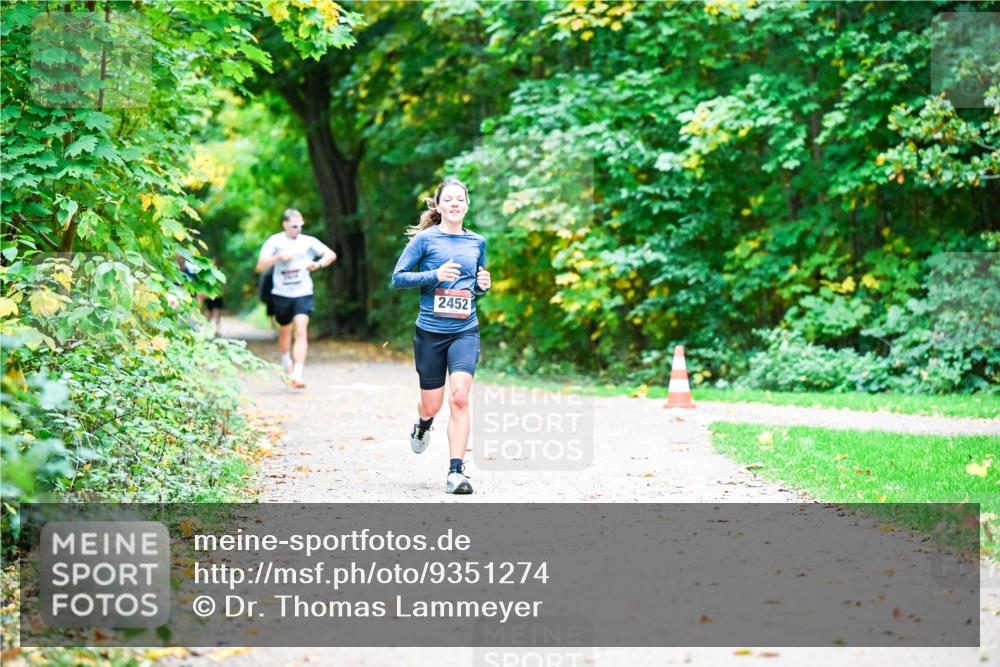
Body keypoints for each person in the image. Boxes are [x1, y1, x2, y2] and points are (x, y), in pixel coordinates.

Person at [390, 178, 491, 494]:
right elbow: (398, 278)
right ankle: (423, 424)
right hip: (430, 332)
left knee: (460, 397)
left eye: (460, 199)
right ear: (439, 205)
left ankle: (456, 472)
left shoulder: (477, 242)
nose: (454, 203)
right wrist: (434, 275)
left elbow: (475, 285)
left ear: (467, 205)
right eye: (448, 199)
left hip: (465, 330)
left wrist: (483, 287)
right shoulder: (425, 240)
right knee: (431, 405)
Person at [255, 209, 336, 388]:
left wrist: (317, 264)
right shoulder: (274, 241)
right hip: (281, 293)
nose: (298, 229)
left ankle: (298, 374)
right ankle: (286, 364)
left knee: (301, 331)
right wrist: (278, 257)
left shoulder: (308, 241)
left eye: (300, 225)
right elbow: (260, 266)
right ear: (285, 224)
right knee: (285, 331)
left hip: (303, 292)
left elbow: (331, 254)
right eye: (294, 226)